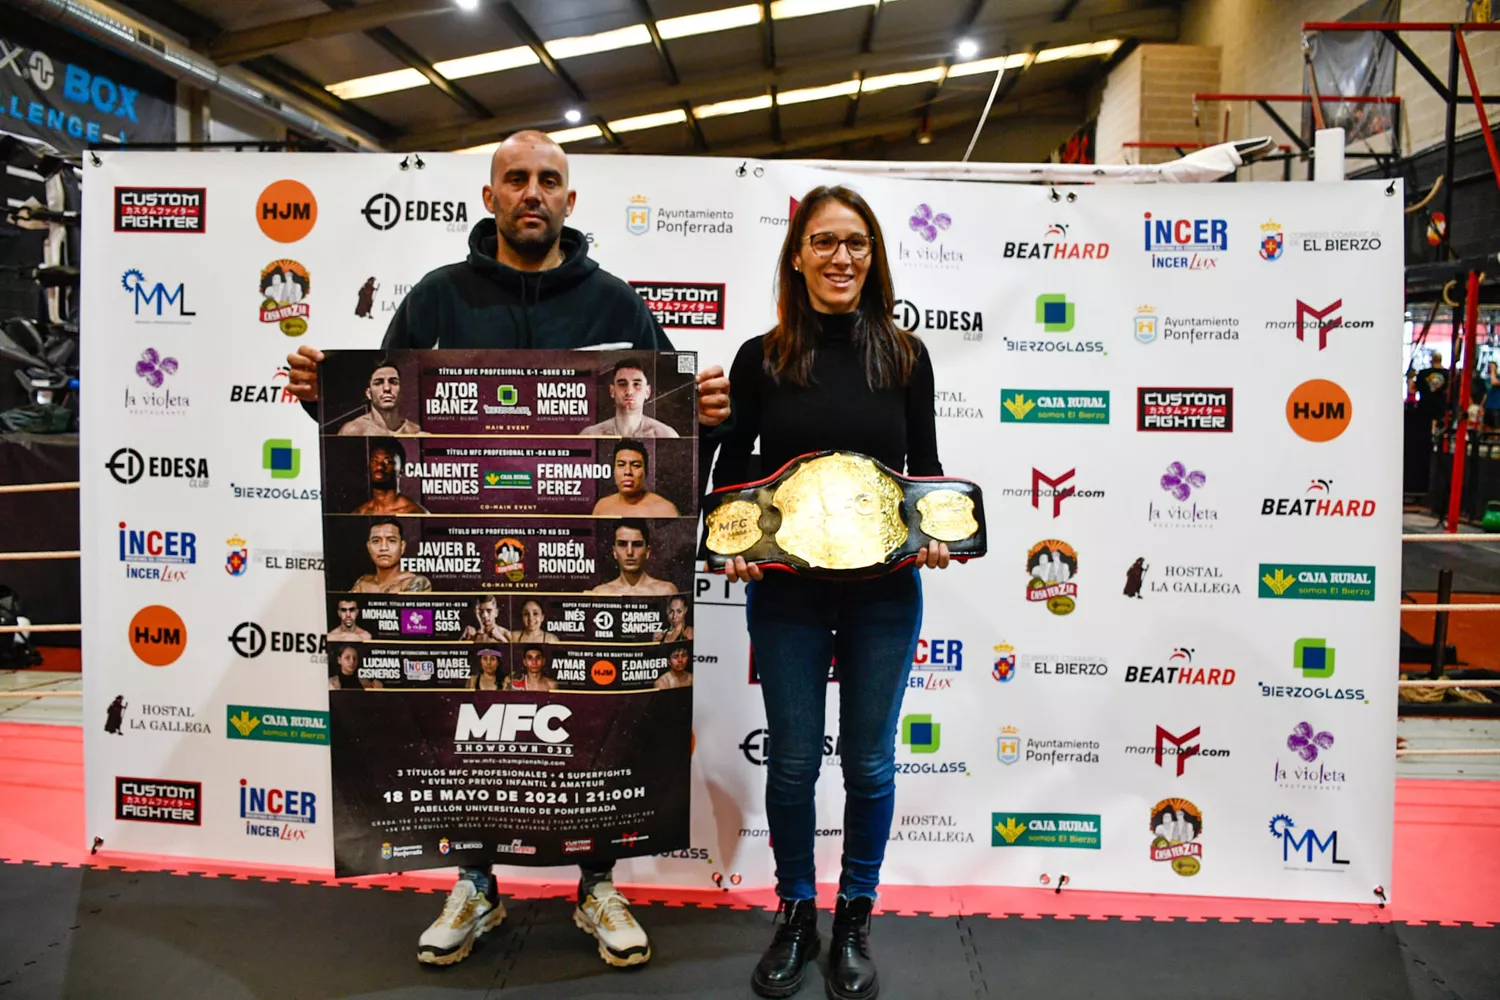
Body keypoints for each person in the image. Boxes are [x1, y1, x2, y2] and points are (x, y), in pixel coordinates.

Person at [283, 130, 731, 970]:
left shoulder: (618, 304)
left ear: (570, 199)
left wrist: (708, 412)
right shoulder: (436, 298)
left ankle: (597, 884)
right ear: (489, 198)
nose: (533, 192)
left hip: (585, 552)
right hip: (462, 546)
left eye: (548, 180)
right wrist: (321, 398)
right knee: (467, 711)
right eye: (516, 179)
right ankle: (475, 884)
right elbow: (382, 426)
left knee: (590, 709)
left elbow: (664, 436)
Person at [711, 185, 952, 1000]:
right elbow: (734, 475)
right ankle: (794, 913)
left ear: (873, 256)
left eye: (855, 242)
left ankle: (854, 914)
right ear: (797, 257)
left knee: (870, 764)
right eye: (823, 242)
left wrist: (934, 532)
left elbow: (924, 473)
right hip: (789, 595)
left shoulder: (906, 357)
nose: (840, 257)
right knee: (791, 764)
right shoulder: (761, 357)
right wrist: (734, 545)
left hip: (885, 594)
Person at [580, 360, 680, 438]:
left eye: (636, 384)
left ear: (647, 392)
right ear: (612, 391)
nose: (629, 391)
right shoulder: (590, 434)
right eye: (622, 384)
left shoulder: (666, 434)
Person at [586, 520, 677, 596]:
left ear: (647, 551)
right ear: (614, 552)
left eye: (637, 545)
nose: (630, 552)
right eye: (622, 544)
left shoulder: (665, 591)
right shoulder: (600, 592)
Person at [591, 439, 679, 517]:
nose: (628, 472)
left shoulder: (666, 510)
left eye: (636, 465)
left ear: (646, 471)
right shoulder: (601, 507)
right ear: (614, 470)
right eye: (621, 465)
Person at [338, 360, 422, 436]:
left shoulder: (413, 430)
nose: (387, 388)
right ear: (368, 393)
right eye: (378, 383)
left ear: (401, 391)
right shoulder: (353, 431)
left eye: (393, 382)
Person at [351, 518, 432, 594]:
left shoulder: (416, 582)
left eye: (391, 540)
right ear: (368, 547)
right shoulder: (362, 583)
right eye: (376, 541)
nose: (383, 547)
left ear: (402, 547)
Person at [351, 438, 426, 514]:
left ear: (401, 471)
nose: (379, 467)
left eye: (388, 462)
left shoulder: (415, 512)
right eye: (375, 461)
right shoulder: (360, 512)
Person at [1414, 351, 1450, 433]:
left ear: (1432, 360)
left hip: (1425, 406)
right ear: (1441, 360)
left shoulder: (1423, 373)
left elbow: (1417, 388)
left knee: (1423, 431)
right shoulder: (1448, 374)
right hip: (1441, 406)